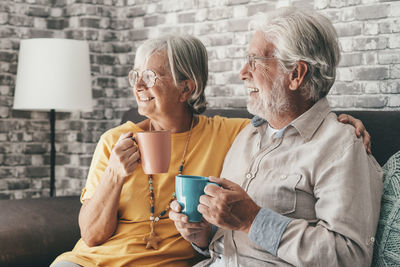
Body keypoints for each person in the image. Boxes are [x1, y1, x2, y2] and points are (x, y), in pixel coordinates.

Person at [51, 34, 369, 266]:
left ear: (187, 88)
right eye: (135, 75)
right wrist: (113, 175)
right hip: (88, 262)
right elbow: (91, 236)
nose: (138, 86)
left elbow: (285, 127)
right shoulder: (115, 141)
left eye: (149, 76)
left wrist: (337, 122)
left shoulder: (232, 134)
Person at [169, 7, 383, 267]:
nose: (243, 72)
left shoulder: (341, 145)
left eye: (255, 61)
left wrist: (254, 220)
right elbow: (229, 240)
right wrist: (204, 235)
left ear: (296, 74)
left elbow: (350, 256)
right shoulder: (247, 135)